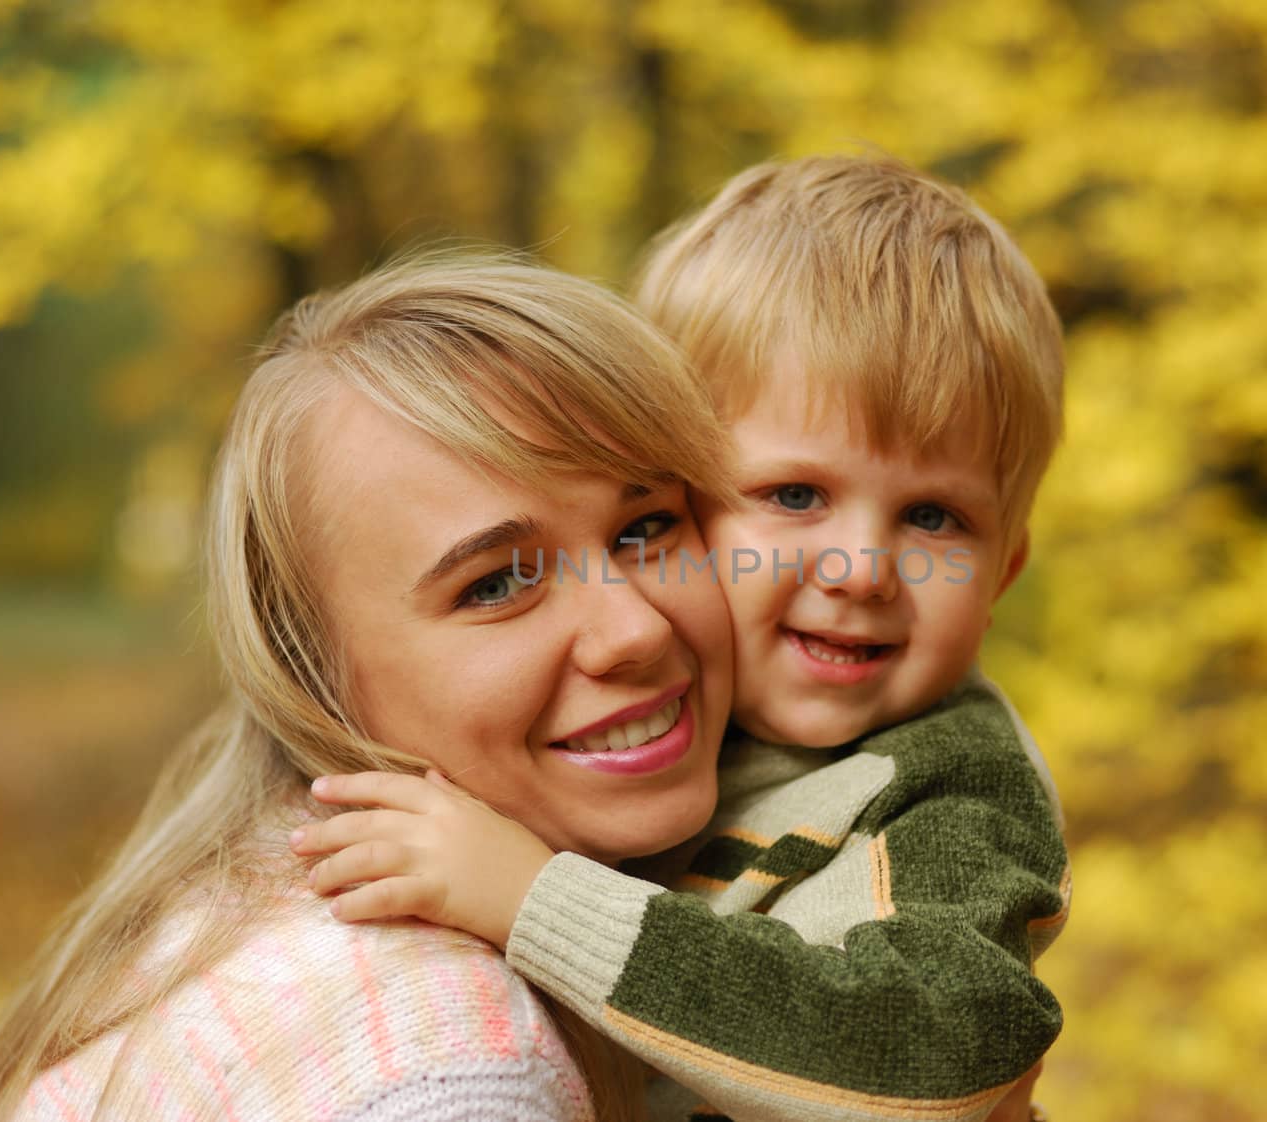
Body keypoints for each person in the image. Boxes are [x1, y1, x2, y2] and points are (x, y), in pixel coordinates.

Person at [295, 154, 1069, 1122]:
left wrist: (533, 900)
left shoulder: (948, 790)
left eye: (934, 520)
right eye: (794, 495)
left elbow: (943, 1051)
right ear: (677, 504)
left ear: (1001, 570)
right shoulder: (665, 733)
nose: (862, 568)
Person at [0, 256, 739, 1122]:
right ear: (309, 676)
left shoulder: (241, 892)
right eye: (498, 584)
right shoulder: (452, 1072)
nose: (638, 630)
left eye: (647, 526)